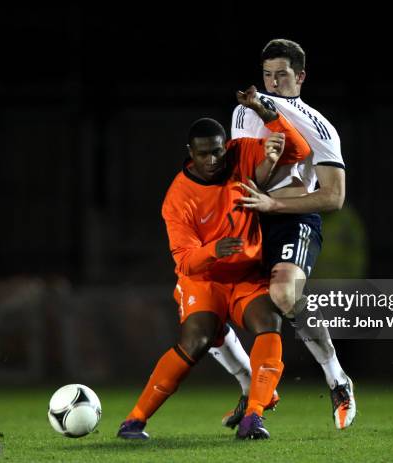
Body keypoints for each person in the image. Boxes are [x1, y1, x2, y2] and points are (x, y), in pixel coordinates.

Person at [117, 85, 311, 440]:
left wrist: (266, 115)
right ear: (190, 153)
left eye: (217, 152)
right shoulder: (178, 198)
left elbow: (300, 149)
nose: (212, 160)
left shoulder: (241, 155)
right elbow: (186, 262)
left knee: (269, 321)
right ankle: (134, 420)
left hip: (245, 276)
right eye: (203, 154)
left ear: (226, 147)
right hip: (204, 280)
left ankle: (254, 417)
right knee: (197, 339)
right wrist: (214, 250)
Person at [208, 39, 356, 430]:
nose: (273, 83)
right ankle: (249, 389)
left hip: (292, 219)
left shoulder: (319, 125)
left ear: (301, 76)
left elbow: (333, 196)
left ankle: (337, 379)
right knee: (204, 308)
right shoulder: (245, 110)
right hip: (248, 218)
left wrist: (275, 206)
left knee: (284, 294)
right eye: (267, 75)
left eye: (282, 75)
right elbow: (246, 170)